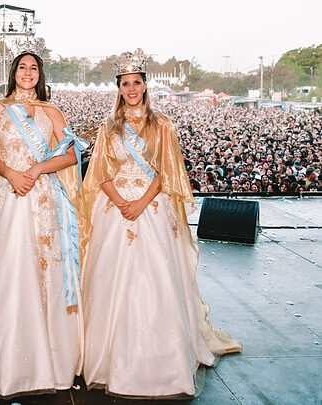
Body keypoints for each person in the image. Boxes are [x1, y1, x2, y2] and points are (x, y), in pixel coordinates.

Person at [80, 50, 242, 398]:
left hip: (152, 206)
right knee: (112, 278)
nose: (132, 88)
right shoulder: (108, 127)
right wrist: (122, 201)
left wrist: (140, 202)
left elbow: (168, 173)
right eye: (126, 84)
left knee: (159, 279)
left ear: (145, 85)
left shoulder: (163, 124)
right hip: (117, 208)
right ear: (119, 88)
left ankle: (163, 360)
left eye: (137, 82)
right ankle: (109, 359)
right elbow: (99, 173)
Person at [0, 50, 88, 398]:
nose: (28, 72)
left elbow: (72, 153)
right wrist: (13, 174)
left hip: (46, 198)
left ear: (40, 75)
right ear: (14, 73)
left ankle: (53, 359)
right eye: (23, 67)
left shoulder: (52, 111)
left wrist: (38, 169)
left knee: (47, 273)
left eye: (34, 68)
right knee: (12, 270)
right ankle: (5, 359)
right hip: (12, 195)